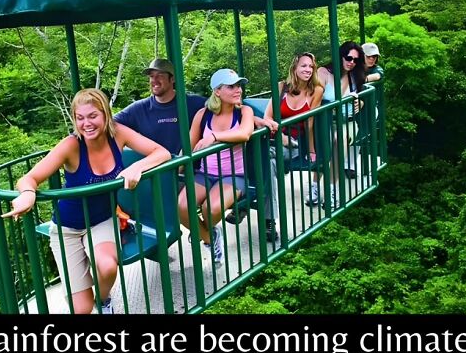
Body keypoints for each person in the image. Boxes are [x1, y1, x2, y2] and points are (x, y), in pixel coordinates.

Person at [3, 88, 169, 315]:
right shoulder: (71, 145)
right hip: (67, 229)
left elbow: (161, 153)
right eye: (80, 118)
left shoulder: (118, 133)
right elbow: (29, 178)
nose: (86, 123)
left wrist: (136, 167)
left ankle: (103, 300)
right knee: (81, 310)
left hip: (102, 220)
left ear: (106, 115)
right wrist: (28, 193)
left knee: (108, 266)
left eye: (93, 116)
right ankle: (86, 296)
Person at [179, 69, 255, 266]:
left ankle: (205, 232)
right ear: (218, 91)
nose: (238, 90)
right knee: (182, 206)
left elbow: (245, 133)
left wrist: (214, 137)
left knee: (210, 208)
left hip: (233, 175)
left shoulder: (244, 111)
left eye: (239, 85)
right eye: (231, 86)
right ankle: (209, 237)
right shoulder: (203, 115)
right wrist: (176, 166)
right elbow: (189, 145)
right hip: (205, 173)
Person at [263, 52, 324, 205]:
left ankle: (250, 205)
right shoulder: (282, 87)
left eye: (311, 66)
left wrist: (311, 150)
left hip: (295, 142)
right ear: (294, 68)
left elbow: (309, 123)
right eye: (304, 65)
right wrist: (279, 136)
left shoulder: (316, 91)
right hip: (276, 138)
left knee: (262, 157)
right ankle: (269, 218)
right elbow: (267, 116)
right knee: (268, 163)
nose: (308, 69)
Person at [114, 58, 207, 156]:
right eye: (151, 76)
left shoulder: (194, 103)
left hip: (189, 169)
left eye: (160, 76)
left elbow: (220, 108)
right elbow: (110, 123)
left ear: (172, 79)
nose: (154, 80)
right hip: (156, 169)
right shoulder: (139, 108)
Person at [317, 42, 366, 202]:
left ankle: (332, 187)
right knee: (324, 145)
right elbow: (315, 98)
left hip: (347, 122)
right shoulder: (324, 73)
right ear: (341, 56)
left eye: (355, 60)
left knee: (340, 140)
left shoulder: (356, 76)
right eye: (348, 57)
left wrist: (361, 103)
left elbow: (360, 96)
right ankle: (315, 186)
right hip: (326, 121)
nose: (351, 62)